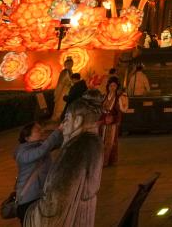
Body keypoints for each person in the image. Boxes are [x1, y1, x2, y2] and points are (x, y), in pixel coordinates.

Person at [23, 93, 104, 227]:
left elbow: (55, 202)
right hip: (84, 214)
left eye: (66, 119)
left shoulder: (75, 149)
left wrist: (31, 213)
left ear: (77, 121)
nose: (63, 125)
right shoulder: (95, 141)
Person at [13, 121, 63, 221]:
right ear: (27, 138)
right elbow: (41, 152)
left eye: (41, 128)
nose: (42, 131)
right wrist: (58, 131)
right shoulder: (22, 153)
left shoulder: (39, 145)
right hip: (28, 199)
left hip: (41, 195)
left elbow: (59, 142)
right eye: (38, 130)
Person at [99, 77, 128, 167]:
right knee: (102, 141)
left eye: (114, 86)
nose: (112, 87)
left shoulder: (119, 97)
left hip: (113, 123)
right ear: (108, 86)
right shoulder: (104, 96)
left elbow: (122, 110)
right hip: (104, 123)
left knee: (110, 142)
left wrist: (113, 118)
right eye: (111, 86)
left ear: (117, 87)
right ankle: (102, 160)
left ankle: (108, 161)